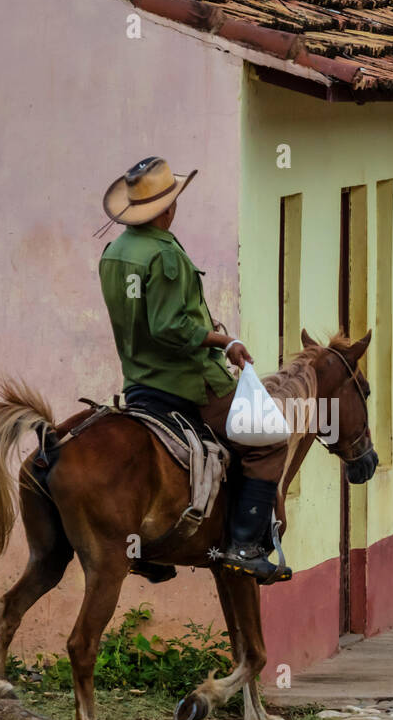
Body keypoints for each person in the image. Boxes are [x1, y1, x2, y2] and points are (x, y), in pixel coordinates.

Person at [96, 156, 290, 583]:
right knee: (269, 440)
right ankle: (243, 545)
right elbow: (169, 327)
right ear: (167, 208)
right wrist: (226, 341)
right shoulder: (164, 255)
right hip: (186, 382)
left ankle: (146, 548)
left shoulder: (116, 252)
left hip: (140, 382)